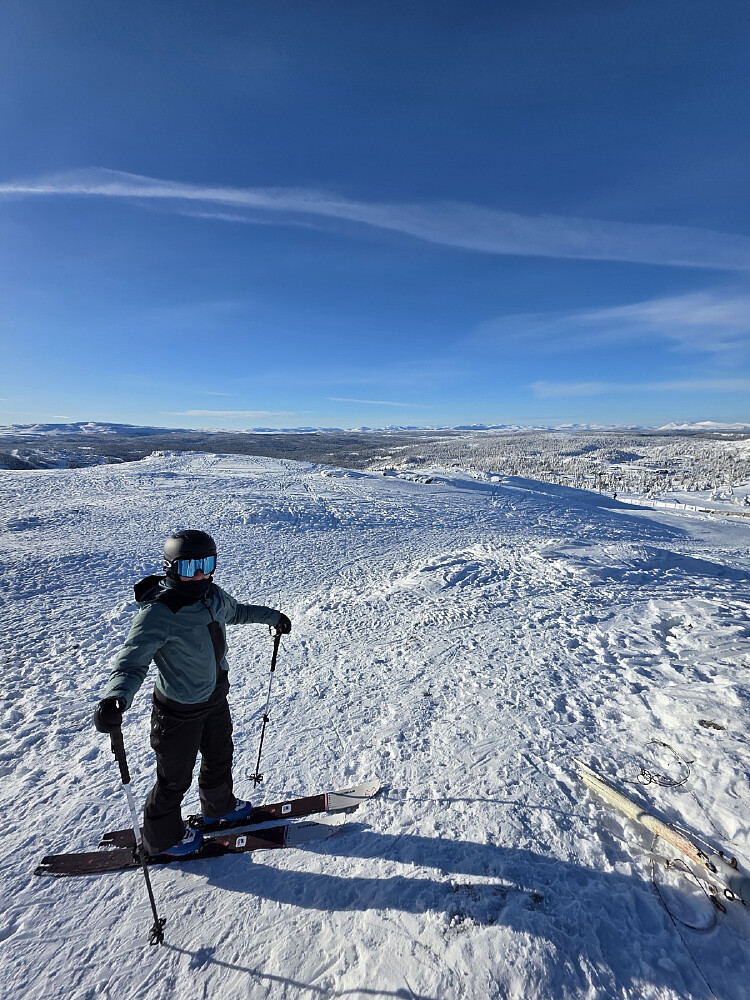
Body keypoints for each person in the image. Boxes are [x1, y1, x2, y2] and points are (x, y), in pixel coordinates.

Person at [94, 529, 291, 857]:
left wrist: (274, 617)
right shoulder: (158, 613)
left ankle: (219, 807)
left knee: (220, 756)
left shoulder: (213, 596)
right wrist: (116, 698)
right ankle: (162, 840)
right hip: (178, 711)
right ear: (171, 568)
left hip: (215, 698)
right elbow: (131, 663)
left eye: (207, 565)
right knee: (174, 779)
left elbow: (237, 612)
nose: (200, 575)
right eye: (189, 567)